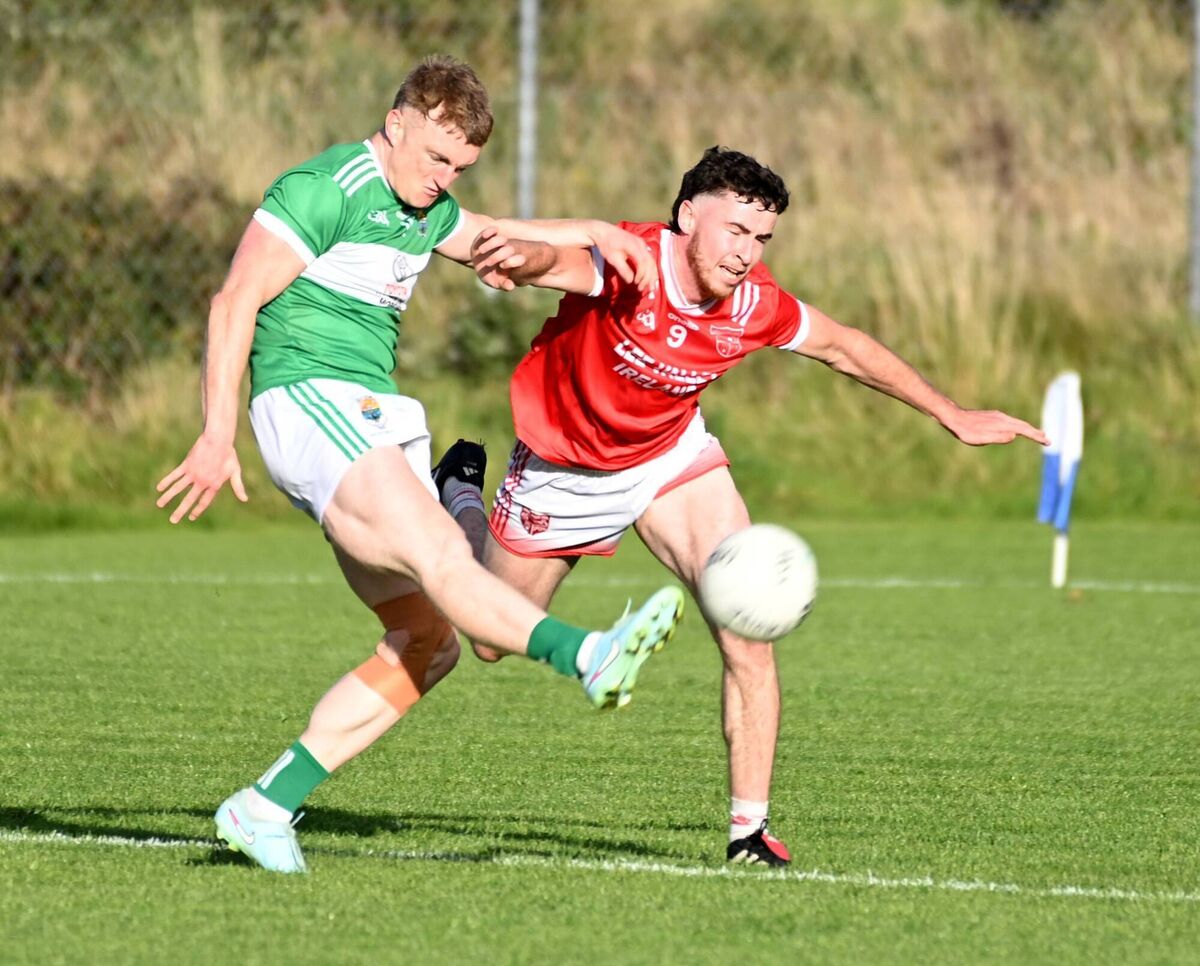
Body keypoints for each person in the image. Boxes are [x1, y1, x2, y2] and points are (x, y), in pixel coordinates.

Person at [440, 146, 1049, 867]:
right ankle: (456, 492)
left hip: (670, 458)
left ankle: (749, 833)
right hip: (563, 468)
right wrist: (523, 257)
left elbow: (845, 347)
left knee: (748, 625)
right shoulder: (632, 261)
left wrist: (952, 413)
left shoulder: (754, 303)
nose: (746, 254)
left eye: (760, 239)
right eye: (735, 231)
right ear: (688, 216)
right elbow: (553, 263)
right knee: (489, 639)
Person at [154, 55, 684, 875]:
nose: (443, 180)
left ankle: (265, 804)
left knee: (427, 639)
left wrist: (598, 235)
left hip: (373, 412)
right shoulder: (325, 188)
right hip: (309, 398)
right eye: (435, 158)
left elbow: (492, 236)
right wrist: (216, 433)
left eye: (459, 168)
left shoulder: (423, 209)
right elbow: (235, 300)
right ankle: (587, 656)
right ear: (397, 122)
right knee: (442, 561)